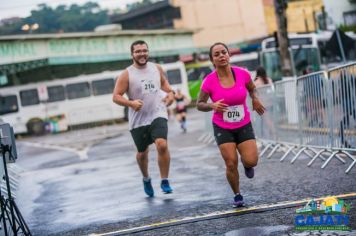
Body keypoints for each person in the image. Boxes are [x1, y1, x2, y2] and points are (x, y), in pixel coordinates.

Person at [196, 42, 265, 207]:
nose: (221, 56)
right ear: (213, 60)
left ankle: (247, 164)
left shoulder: (242, 74)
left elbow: (252, 89)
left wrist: (255, 99)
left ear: (229, 54)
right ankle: (237, 194)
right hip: (222, 126)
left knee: (252, 161)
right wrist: (212, 105)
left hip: (243, 123)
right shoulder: (209, 81)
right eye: (217, 54)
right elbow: (199, 103)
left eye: (223, 52)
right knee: (230, 162)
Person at [112, 40, 175, 197]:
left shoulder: (156, 68)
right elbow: (116, 96)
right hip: (138, 119)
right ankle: (146, 178)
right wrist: (130, 103)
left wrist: (171, 95)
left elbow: (166, 86)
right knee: (142, 152)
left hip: (157, 112)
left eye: (144, 50)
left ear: (148, 51)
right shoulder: (127, 74)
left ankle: (164, 180)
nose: (142, 54)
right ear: (132, 54)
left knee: (162, 145)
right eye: (138, 51)